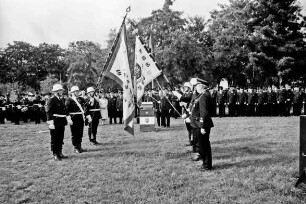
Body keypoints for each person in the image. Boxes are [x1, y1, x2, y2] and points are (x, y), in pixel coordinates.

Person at [190, 78, 214, 171]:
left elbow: (204, 113)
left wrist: (202, 126)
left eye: (197, 86)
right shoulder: (203, 94)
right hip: (199, 124)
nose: (195, 87)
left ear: (201, 86)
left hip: (202, 125)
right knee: (203, 144)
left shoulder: (204, 95)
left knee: (204, 145)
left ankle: (207, 165)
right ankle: (205, 164)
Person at [46, 84, 68, 161]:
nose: (61, 92)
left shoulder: (61, 99)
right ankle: (55, 153)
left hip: (61, 122)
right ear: (56, 91)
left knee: (60, 138)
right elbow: (49, 112)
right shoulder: (51, 100)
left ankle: (60, 152)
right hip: (55, 122)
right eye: (60, 90)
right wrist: (51, 123)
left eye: (61, 90)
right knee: (55, 138)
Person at [65, 86, 89, 153]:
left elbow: (86, 106)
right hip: (73, 118)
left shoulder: (81, 99)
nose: (78, 92)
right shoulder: (69, 100)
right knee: (75, 133)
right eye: (76, 91)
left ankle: (79, 146)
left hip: (80, 117)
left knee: (80, 132)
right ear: (72, 92)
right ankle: (76, 147)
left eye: (78, 91)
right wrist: (69, 119)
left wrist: (90, 101)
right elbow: (66, 110)